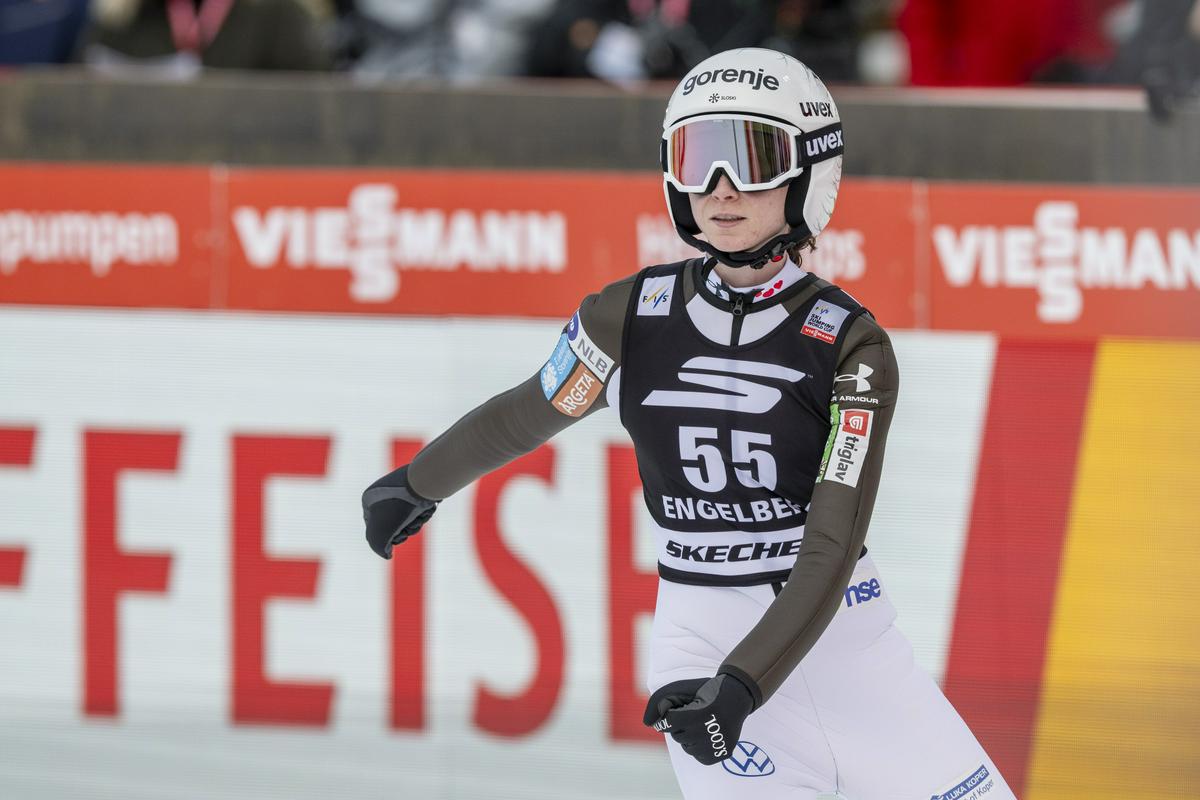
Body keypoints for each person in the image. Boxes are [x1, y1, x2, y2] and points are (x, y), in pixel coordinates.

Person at [361, 47, 1017, 800]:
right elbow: (527, 413)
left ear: (809, 173)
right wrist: (414, 484)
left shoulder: (849, 344)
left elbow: (830, 548)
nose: (720, 188)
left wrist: (743, 684)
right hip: (701, 648)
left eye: (753, 160)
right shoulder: (626, 319)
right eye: (697, 158)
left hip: (844, 656)